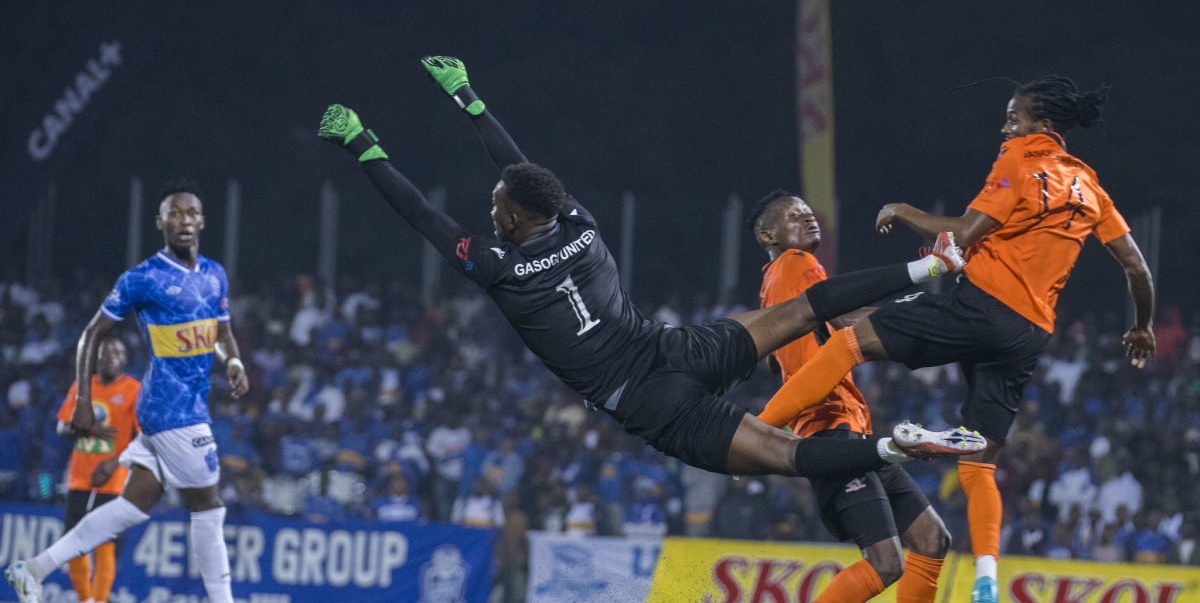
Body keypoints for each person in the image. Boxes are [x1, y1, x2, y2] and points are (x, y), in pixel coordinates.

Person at [313, 56, 984, 486]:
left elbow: (424, 218)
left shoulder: (499, 268)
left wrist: (365, 147)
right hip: (674, 347)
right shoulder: (579, 223)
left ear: (515, 219)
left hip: (648, 401)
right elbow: (521, 171)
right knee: (805, 310)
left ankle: (894, 450)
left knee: (781, 457)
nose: (491, 207)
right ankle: (928, 265)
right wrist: (469, 98)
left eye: (496, 205)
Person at [757, 75, 1156, 603]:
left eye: (1013, 118)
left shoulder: (1017, 160)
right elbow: (1137, 268)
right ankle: (988, 578)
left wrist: (903, 213)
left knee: (849, 348)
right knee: (969, 481)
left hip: (978, 306)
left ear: (1041, 124)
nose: (1005, 127)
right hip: (1029, 332)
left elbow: (961, 236)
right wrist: (1142, 326)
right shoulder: (1091, 187)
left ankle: (755, 437)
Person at [6, 181, 249, 603]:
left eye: (191, 213)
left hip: (180, 405)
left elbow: (222, 330)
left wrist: (233, 360)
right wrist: (83, 399)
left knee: (132, 505)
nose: (184, 221)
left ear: (203, 221)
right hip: (173, 411)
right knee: (209, 507)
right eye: (174, 214)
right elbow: (91, 335)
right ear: (160, 223)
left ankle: (34, 569)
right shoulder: (143, 278)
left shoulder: (214, 274)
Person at [752, 191, 949, 603]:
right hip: (831, 430)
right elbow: (840, 321)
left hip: (847, 431)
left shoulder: (769, 285)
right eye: (794, 215)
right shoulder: (799, 262)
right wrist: (910, 308)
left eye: (809, 212)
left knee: (931, 539)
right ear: (768, 235)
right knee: (886, 562)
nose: (808, 219)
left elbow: (772, 360)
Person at [54, 337, 140, 603]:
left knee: (106, 542)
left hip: (113, 478)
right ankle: (85, 598)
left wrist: (116, 462)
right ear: (97, 357)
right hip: (80, 475)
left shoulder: (133, 389)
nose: (112, 356)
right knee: (74, 540)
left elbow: (143, 435)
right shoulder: (83, 386)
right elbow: (62, 426)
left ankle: (99, 599)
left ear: (124, 359)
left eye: (118, 352)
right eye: (106, 352)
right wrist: (89, 428)